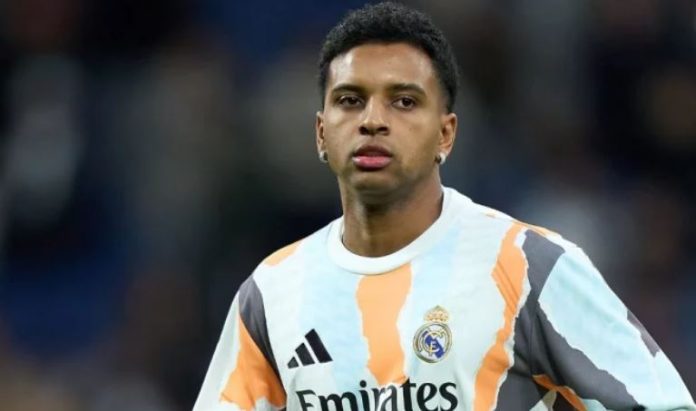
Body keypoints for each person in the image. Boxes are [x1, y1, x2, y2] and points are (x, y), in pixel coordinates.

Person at [194, 3, 695, 410]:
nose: (373, 120)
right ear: (321, 134)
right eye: (350, 100)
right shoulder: (272, 293)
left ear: (446, 134)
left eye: (404, 101)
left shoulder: (526, 266)